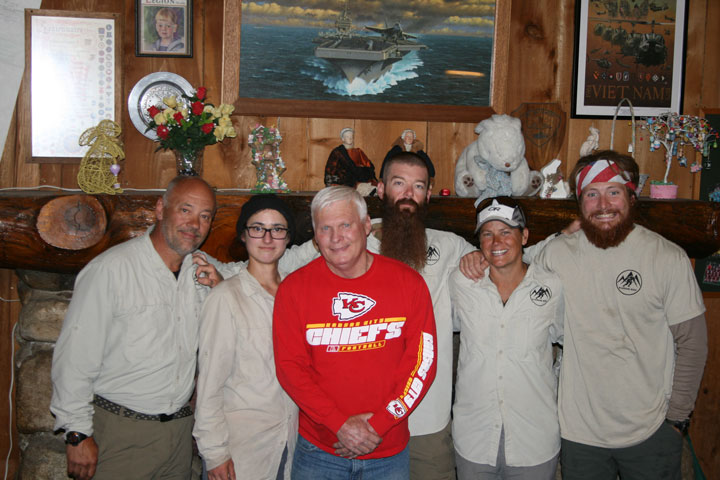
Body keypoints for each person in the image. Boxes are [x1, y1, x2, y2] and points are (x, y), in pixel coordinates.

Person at [278, 151, 476, 480]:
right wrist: (218, 275)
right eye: (399, 183)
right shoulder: (313, 267)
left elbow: (505, 256)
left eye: (418, 185)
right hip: (322, 443)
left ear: (429, 194)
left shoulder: (449, 250)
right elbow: (268, 267)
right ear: (381, 189)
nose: (337, 236)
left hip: (415, 427)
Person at [533, 150, 708, 480]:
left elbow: (693, 343)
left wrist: (677, 420)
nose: (603, 206)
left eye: (613, 192)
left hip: (652, 430)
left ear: (631, 195)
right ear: (579, 202)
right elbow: (517, 283)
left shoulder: (667, 257)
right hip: (579, 433)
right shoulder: (555, 255)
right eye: (591, 194)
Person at [50, 176, 227, 480]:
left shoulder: (200, 271)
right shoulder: (111, 270)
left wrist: (222, 287)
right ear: (160, 208)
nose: (194, 224)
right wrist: (77, 433)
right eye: (185, 210)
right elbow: (75, 357)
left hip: (179, 435)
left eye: (205, 216)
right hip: (120, 433)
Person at [273, 186, 437, 479]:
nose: (336, 238)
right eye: (326, 228)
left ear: (365, 226)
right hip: (319, 451)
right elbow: (290, 369)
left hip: (388, 450)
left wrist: (378, 425)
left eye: (346, 225)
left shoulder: (409, 284)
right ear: (315, 236)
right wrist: (340, 425)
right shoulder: (293, 290)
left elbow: (421, 365)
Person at [450, 197, 563, 480]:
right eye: (487, 234)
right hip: (474, 439)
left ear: (524, 236)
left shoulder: (552, 286)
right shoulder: (460, 282)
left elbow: (571, 345)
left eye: (506, 232)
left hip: (534, 440)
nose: (495, 241)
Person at [194, 195, 299, 480]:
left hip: (289, 445)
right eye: (257, 228)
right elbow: (209, 384)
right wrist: (214, 452)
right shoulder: (225, 298)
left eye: (277, 228)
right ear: (243, 235)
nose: (267, 237)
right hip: (242, 452)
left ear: (288, 238)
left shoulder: (297, 293)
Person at [324, 127, 378, 192]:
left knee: (373, 188)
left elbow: (369, 167)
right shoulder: (337, 153)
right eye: (347, 136)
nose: (350, 138)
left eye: (351, 136)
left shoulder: (358, 152)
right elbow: (330, 172)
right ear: (343, 139)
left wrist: (360, 171)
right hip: (343, 183)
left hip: (360, 180)